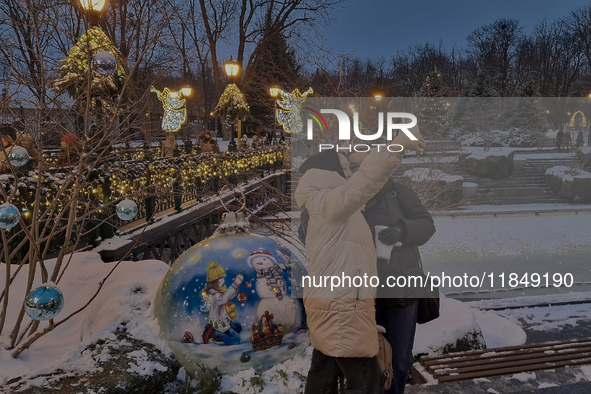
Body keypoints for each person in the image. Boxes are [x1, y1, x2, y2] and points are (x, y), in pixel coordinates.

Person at [295, 131, 424, 394]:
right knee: (366, 382)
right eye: (345, 168)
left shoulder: (329, 205)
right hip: (342, 308)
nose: (351, 174)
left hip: (339, 304)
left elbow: (366, 189)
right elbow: (364, 183)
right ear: (327, 172)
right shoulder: (328, 202)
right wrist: (396, 146)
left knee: (324, 375)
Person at [348, 151, 436, 394]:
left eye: (364, 165)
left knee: (398, 359)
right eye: (353, 166)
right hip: (359, 293)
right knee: (362, 358)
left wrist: (400, 231)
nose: (358, 171)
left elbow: (427, 225)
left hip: (401, 291)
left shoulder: (400, 193)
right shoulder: (346, 198)